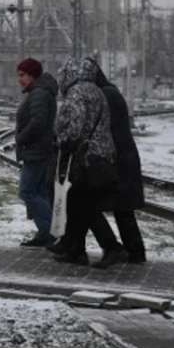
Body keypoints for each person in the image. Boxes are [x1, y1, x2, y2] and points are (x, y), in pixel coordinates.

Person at [52, 57, 118, 266]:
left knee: (83, 205)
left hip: (85, 157)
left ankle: (112, 247)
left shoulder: (77, 93)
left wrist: (61, 141)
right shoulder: (97, 91)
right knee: (80, 203)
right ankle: (75, 249)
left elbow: (75, 128)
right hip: (102, 155)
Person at [85, 60, 146, 268]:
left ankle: (116, 249)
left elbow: (102, 126)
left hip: (117, 158)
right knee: (123, 209)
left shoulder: (106, 94)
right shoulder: (109, 91)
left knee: (95, 204)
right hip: (122, 156)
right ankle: (135, 253)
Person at [13, 58, 59, 247]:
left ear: (32, 75)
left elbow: (38, 122)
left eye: (22, 75)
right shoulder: (39, 92)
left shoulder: (38, 93)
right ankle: (45, 232)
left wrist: (22, 137)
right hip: (39, 149)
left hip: (36, 151)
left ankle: (52, 231)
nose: (19, 79)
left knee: (27, 191)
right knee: (39, 191)